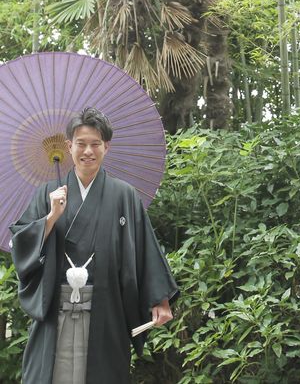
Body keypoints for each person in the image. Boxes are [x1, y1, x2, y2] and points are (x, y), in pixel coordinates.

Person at [10, 107, 179, 384]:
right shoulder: (47, 194)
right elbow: (21, 244)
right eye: (81, 143)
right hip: (56, 306)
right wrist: (51, 216)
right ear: (69, 146)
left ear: (106, 147)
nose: (88, 151)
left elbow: (144, 249)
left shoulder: (123, 195)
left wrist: (160, 300)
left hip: (106, 307)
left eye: (95, 144)